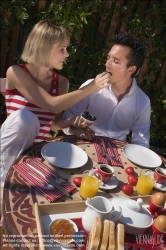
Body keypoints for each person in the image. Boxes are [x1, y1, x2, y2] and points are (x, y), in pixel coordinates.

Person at [0, 20, 111, 226]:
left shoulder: (61, 83)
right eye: (62, 49)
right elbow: (49, 104)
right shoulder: (16, 72)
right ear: (43, 47)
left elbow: (52, 123)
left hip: (35, 152)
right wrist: (91, 87)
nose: (67, 54)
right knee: (25, 117)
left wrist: (72, 123)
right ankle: (3, 185)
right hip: (9, 149)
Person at [63, 33, 151, 148]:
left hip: (118, 154)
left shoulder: (142, 102)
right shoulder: (90, 86)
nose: (107, 64)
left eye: (116, 61)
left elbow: (141, 143)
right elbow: (67, 119)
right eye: (108, 58)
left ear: (131, 69)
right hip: (84, 145)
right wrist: (75, 130)